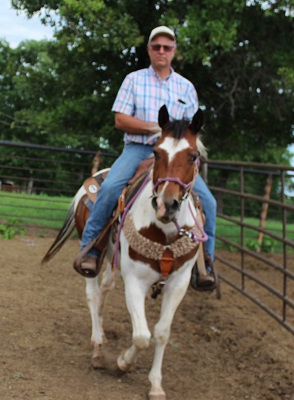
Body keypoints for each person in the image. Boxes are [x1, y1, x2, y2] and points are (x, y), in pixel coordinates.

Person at [76, 25, 217, 290]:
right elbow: (120, 119)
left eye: (167, 47)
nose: (161, 51)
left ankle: (205, 264)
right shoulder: (134, 80)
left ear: (174, 51)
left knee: (208, 201)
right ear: (149, 50)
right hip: (139, 149)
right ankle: (91, 249)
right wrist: (155, 128)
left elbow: (192, 129)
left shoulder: (186, 88)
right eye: (156, 47)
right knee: (109, 189)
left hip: (175, 156)